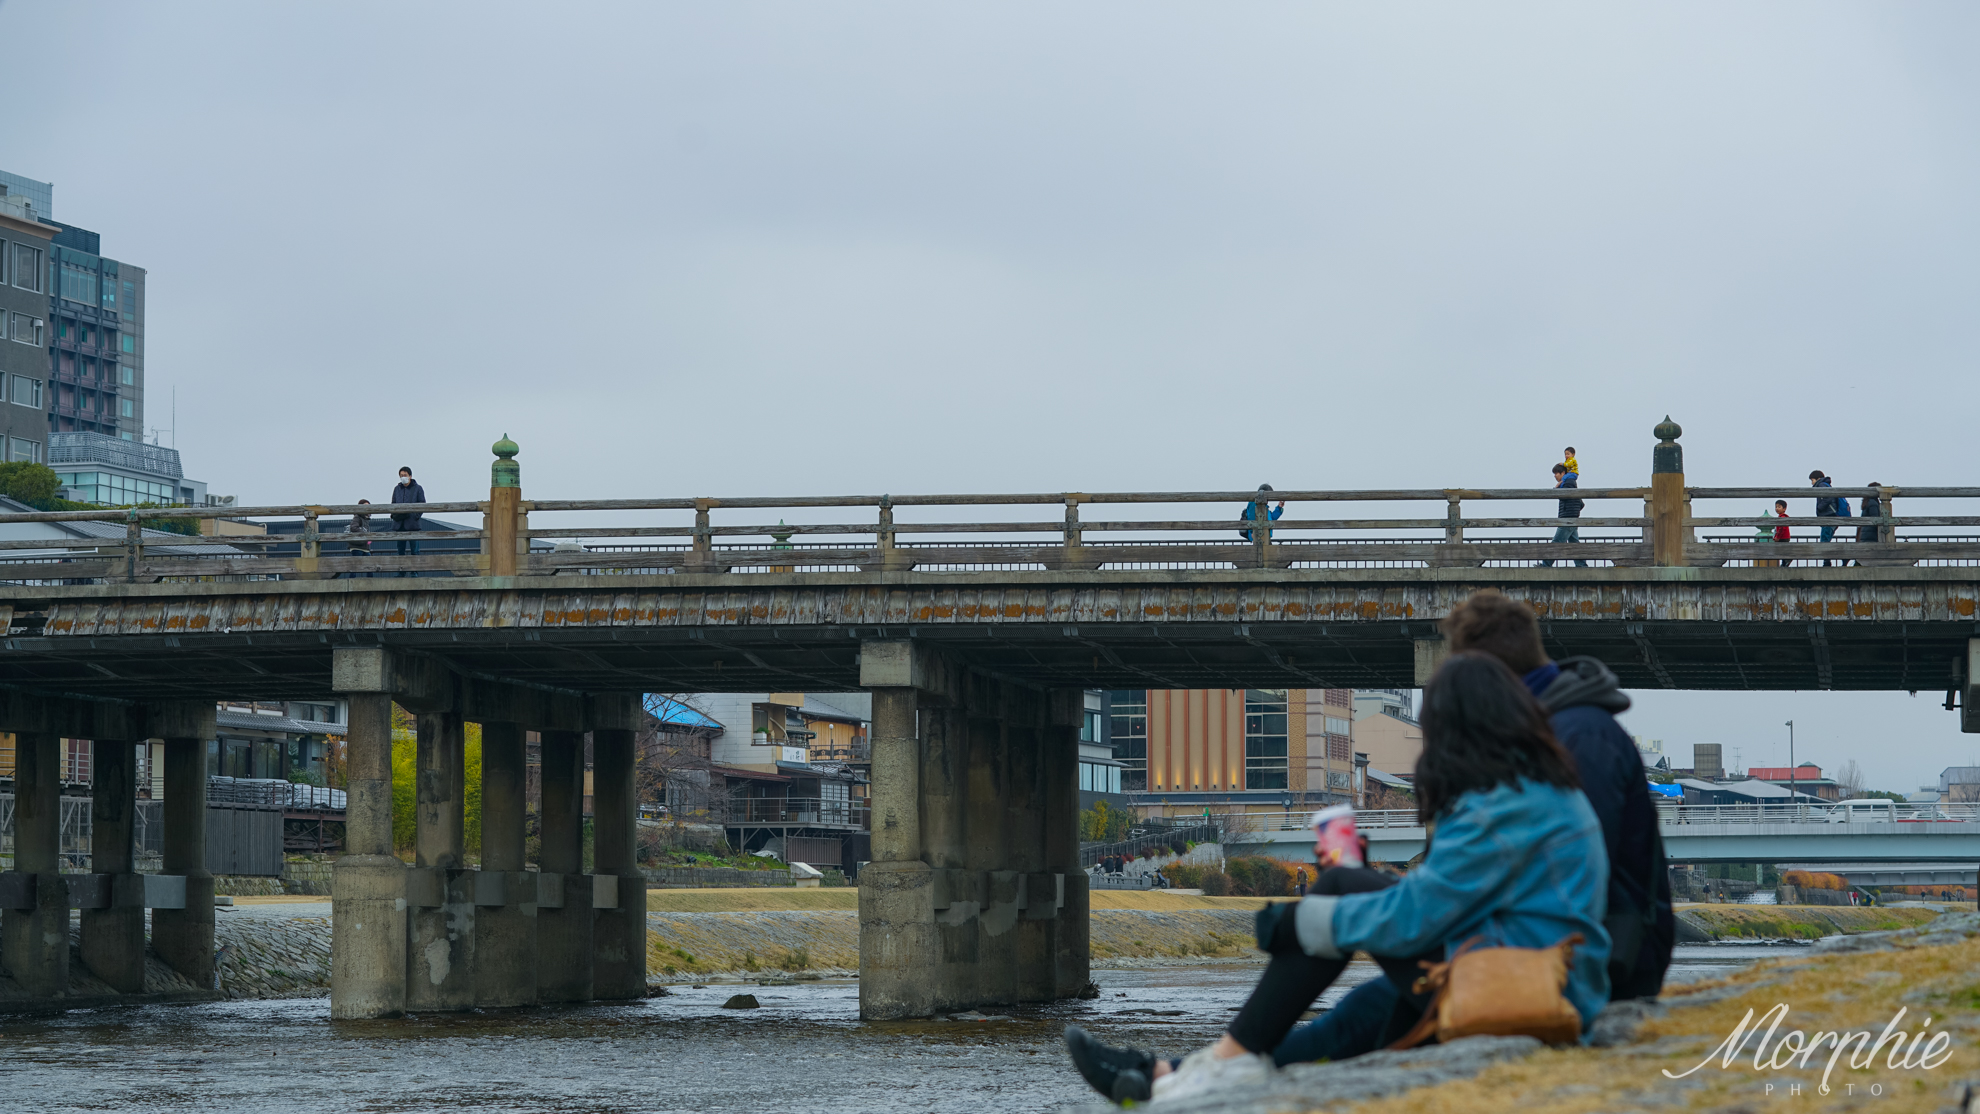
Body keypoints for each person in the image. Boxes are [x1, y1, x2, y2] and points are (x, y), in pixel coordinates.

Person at [1064, 653, 1611, 1104]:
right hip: (1531, 969)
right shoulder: (1538, 789)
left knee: (1337, 905)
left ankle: (1185, 1071)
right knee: (1350, 1017)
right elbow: (1444, 900)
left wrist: (1302, 923)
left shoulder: (1505, 803)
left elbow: (1418, 916)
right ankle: (1167, 1074)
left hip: (1526, 987)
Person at [1441, 589, 1675, 1001]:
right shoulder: (1552, 728)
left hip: (1601, 962)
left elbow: (1575, 869)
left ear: (1485, 674)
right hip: (1564, 946)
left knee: (1362, 1017)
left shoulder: (1577, 736)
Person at [1539, 463, 1585, 568]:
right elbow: (1581, 503)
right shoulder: (1570, 483)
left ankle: (1545, 565)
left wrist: (1556, 489)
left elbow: (1564, 496)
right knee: (1574, 543)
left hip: (1567, 518)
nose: (1555, 476)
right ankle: (1581, 565)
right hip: (1571, 517)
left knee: (1557, 541)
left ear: (1563, 473)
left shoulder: (1568, 483)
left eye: (1556, 473)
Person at [1810, 471, 1849, 566]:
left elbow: (1828, 497)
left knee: (1824, 541)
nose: (1811, 483)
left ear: (1817, 479)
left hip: (1829, 516)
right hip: (1832, 516)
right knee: (1826, 540)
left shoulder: (1821, 485)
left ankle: (1832, 560)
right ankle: (1834, 559)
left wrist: (1820, 507)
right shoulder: (1826, 484)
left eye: (1812, 480)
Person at [391, 467, 426, 566]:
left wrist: (415, 516)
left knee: (414, 550)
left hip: (412, 524)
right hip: (399, 524)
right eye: (401, 476)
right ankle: (400, 571)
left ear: (410, 476)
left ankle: (414, 571)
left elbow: (422, 504)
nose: (403, 477)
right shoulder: (397, 489)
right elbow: (393, 504)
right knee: (400, 551)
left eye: (405, 475)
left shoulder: (418, 488)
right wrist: (394, 515)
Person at [1854, 483, 1884, 563]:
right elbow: (1876, 519)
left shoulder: (1866, 502)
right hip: (1871, 533)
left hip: (1865, 533)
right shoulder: (1873, 503)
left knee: (1864, 556)